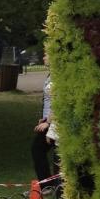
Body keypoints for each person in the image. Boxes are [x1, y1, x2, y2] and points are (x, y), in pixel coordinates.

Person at [31, 53, 59, 183]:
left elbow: (58, 101)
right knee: (38, 148)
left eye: (46, 55)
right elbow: (48, 100)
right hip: (49, 120)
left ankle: (52, 186)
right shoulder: (51, 74)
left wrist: (48, 122)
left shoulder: (59, 75)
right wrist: (44, 118)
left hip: (56, 123)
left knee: (40, 148)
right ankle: (49, 184)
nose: (43, 57)